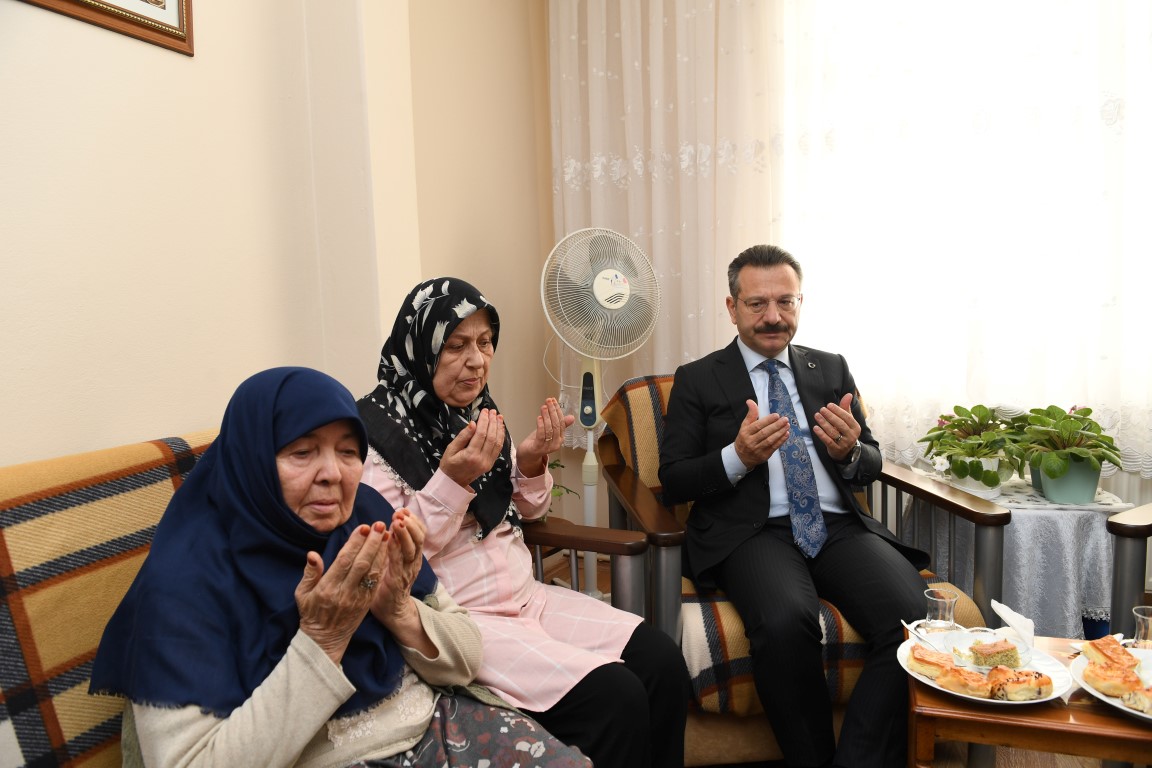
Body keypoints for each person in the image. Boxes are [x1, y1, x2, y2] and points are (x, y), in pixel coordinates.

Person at [89, 366, 590, 768]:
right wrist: (322, 641)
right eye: (301, 452)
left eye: (348, 452)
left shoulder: (365, 518)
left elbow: (465, 656)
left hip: (439, 725)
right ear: (251, 461)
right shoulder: (184, 585)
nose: (333, 474)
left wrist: (398, 609)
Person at [358, 277, 691, 768]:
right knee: (615, 698)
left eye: (485, 342)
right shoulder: (374, 439)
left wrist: (531, 462)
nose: (477, 360)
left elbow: (526, 513)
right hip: (461, 619)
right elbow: (390, 562)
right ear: (421, 349)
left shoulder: (477, 412)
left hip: (528, 598)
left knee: (662, 662)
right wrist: (451, 482)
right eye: (456, 345)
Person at [658, 245, 930, 768]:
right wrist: (737, 457)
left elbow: (871, 460)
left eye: (786, 301)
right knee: (785, 624)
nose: (773, 316)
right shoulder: (699, 377)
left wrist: (850, 452)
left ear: (800, 302)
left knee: (916, 621)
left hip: (838, 527)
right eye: (757, 304)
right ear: (732, 307)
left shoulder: (830, 368)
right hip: (753, 532)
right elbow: (673, 480)